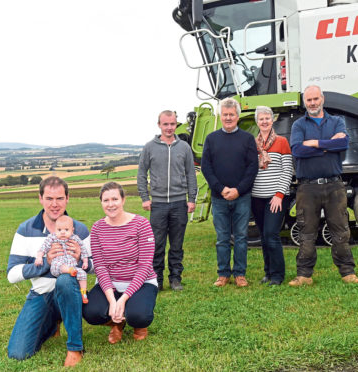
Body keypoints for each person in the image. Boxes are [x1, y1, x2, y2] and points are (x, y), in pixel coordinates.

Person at [6, 176, 91, 367]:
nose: (54, 204)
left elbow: (94, 265)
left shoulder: (80, 229)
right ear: (40, 198)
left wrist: (79, 260)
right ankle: (52, 321)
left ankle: (75, 348)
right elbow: (12, 274)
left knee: (65, 280)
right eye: (49, 198)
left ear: (67, 199)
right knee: (18, 353)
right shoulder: (26, 229)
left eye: (60, 198)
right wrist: (46, 263)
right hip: (41, 294)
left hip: (71, 291)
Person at [288, 85, 358, 286]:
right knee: (306, 232)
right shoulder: (298, 125)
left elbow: (343, 144)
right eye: (309, 100)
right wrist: (328, 145)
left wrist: (314, 143)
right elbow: (297, 150)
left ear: (323, 99)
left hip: (334, 186)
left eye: (315, 99)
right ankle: (304, 275)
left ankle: (348, 272)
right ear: (305, 102)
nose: (312, 103)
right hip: (307, 188)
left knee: (340, 231)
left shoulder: (337, 121)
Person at [83, 182, 158, 344]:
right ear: (101, 202)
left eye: (115, 199)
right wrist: (112, 300)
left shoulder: (141, 224)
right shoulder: (97, 228)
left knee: (139, 315)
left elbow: (145, 266)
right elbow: (101, 267)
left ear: (123, 200)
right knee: (91, 313)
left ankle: (138, 324)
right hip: (111, 284)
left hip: (142, 282)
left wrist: (123, 299)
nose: (111, 204)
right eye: (106, 200)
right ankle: (117, 323)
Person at [201, 97, 259, 287]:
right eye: (225, 114)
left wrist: (238, 190)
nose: (228, 118)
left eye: (231, 114)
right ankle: (223, 274)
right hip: (219, 197)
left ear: (237, 115)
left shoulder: (247, 139)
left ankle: (240, 274)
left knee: (241, 237)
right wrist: (221, 188)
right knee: (222, 238)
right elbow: (206, 168)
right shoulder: (211, 139)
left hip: (242, 197)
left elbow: (252, 167)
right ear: (220, 115)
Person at [137, 110, 197, 291]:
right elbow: (141, 174)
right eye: (166, 124)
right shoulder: (149, 147)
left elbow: (191, 174)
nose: (169, 128)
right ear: (159, 125)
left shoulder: (184, 148)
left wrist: (191, 198)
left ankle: (176, 278)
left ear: (176, 124)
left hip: (179, 203)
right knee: (157, 244)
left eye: (172, 124)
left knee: (177, 244)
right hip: (158, 204)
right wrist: (145, 197)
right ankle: (157, 279)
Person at [251, 106, 293, 286]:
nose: (265, 121)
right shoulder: (252, 144)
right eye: (261, 119)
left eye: (267, 118)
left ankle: (277, 275)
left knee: (271, 234)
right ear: (256, 121)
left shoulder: (282, 141)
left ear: (272, 119)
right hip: (256, 197)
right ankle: (267, 272)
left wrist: (279, 195)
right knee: (263, 235)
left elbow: (288, 170)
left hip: (275, 197)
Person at [35, 215, 90, 304]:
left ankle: (83, 293)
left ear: (72, 230)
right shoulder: (52, 238)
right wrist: (39, 257)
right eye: (59, 230)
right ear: (55, 230)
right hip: (57, 265)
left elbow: (83, 249)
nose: (63, 232)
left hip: (73, 266)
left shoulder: (75, 238)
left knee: (83, 274)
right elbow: (43, 247)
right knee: (60, 265)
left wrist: (85, 261)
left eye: (66, 230)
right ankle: (68, 270)